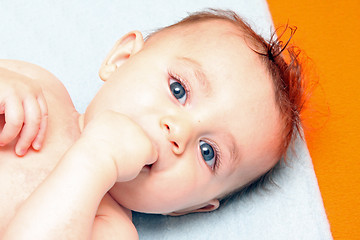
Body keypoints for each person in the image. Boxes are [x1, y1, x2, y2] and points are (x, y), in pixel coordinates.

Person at [0, 9, 304, 240]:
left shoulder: (109, 228)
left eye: (208, 152)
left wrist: (96, 159)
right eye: (178, 90)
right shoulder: (38, 87)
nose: (180, 131)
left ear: (187, 207)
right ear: (122, 59)